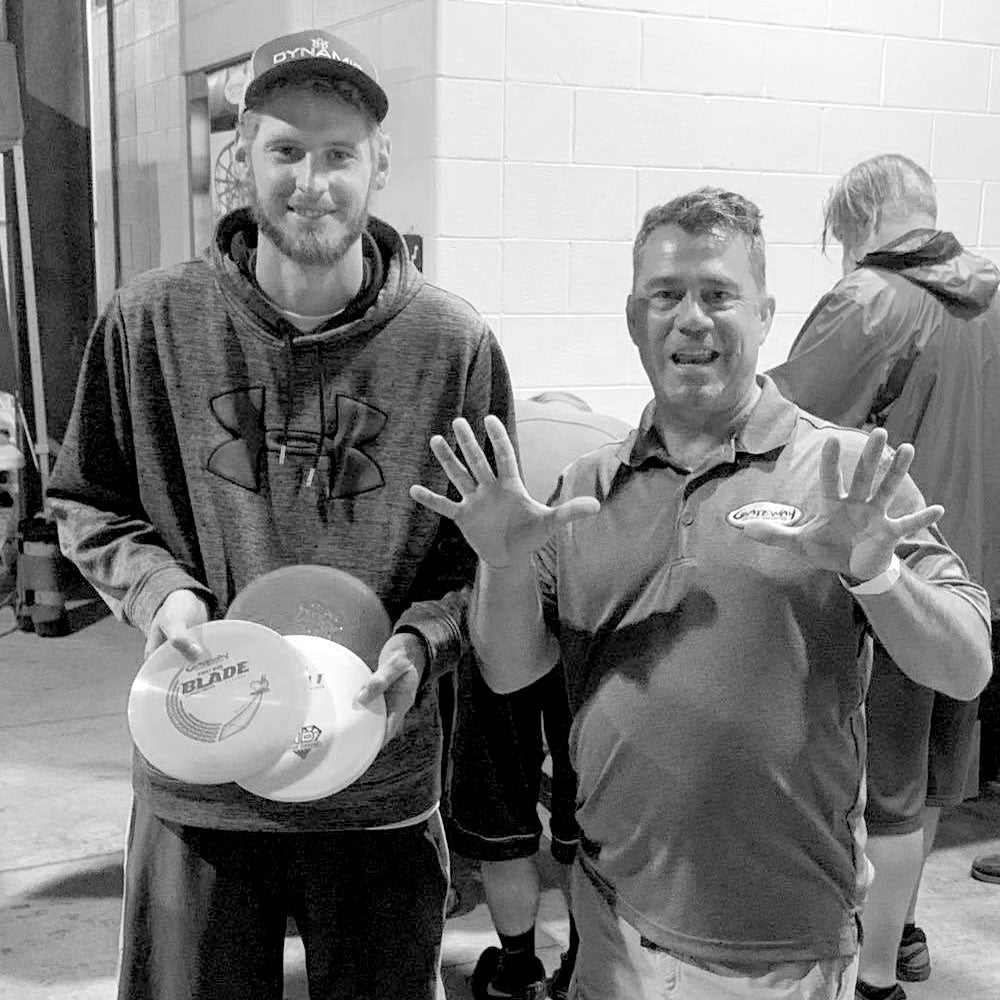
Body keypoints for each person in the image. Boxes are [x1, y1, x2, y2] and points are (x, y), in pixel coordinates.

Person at [410, 187, 993, 1000]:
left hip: (780, 946)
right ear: (633, 317)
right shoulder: (586, 489)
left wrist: (878, 573)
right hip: (610, 924)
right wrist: (501, 564)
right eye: (666, 295)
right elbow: (510, 670)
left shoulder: (842, 473)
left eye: (719, 294)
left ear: (765, 315)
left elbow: (966, 667)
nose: (691, 318)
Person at [47, 28, 514, 1000]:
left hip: (377, 792)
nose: (312, 182)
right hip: (201, 775)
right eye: (286, 149)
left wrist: (421, 644)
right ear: (240, 160)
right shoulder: (148, 324)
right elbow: (87, 498)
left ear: (380, 163)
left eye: (339, 153)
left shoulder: (452, 345)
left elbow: (473, 555)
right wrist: (161, 593)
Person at [769, 154, 1000, 1000]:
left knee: (885, 795)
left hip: (889, 578)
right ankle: (898, 936)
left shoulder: (870, 300)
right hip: (976, 585)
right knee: (933, 782)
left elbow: (781, 425)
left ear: (860, 219)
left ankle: (872, 977)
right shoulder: (992, 294)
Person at [444, 391, 631, 1000]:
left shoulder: (498, 428)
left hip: (505, 611)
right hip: (588, 618)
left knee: (500, 806)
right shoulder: (613, 437)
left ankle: (516, 971)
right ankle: (580, 959)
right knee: (586, 810)